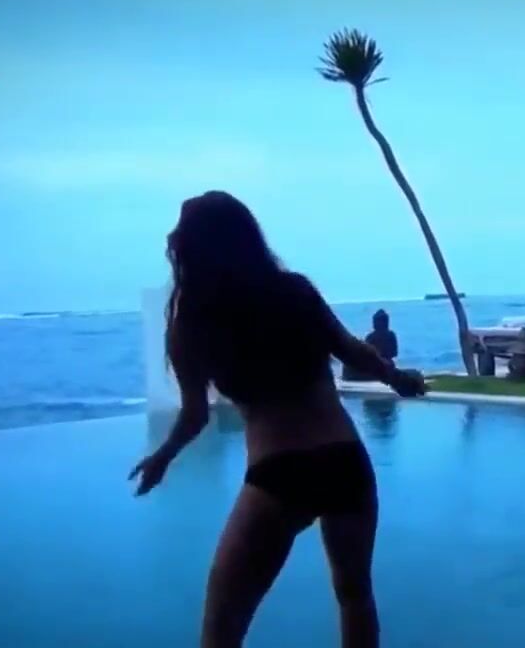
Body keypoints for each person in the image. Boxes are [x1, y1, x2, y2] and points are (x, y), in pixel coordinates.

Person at [128, 190, 427, 648]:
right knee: (354, 597)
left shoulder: (192, 323)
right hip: (344, 460)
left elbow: (195, 415)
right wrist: (397, 378)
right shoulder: (294, 292)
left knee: (221, 628)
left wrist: (163, 457)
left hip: (280, 474)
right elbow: (351, 350)